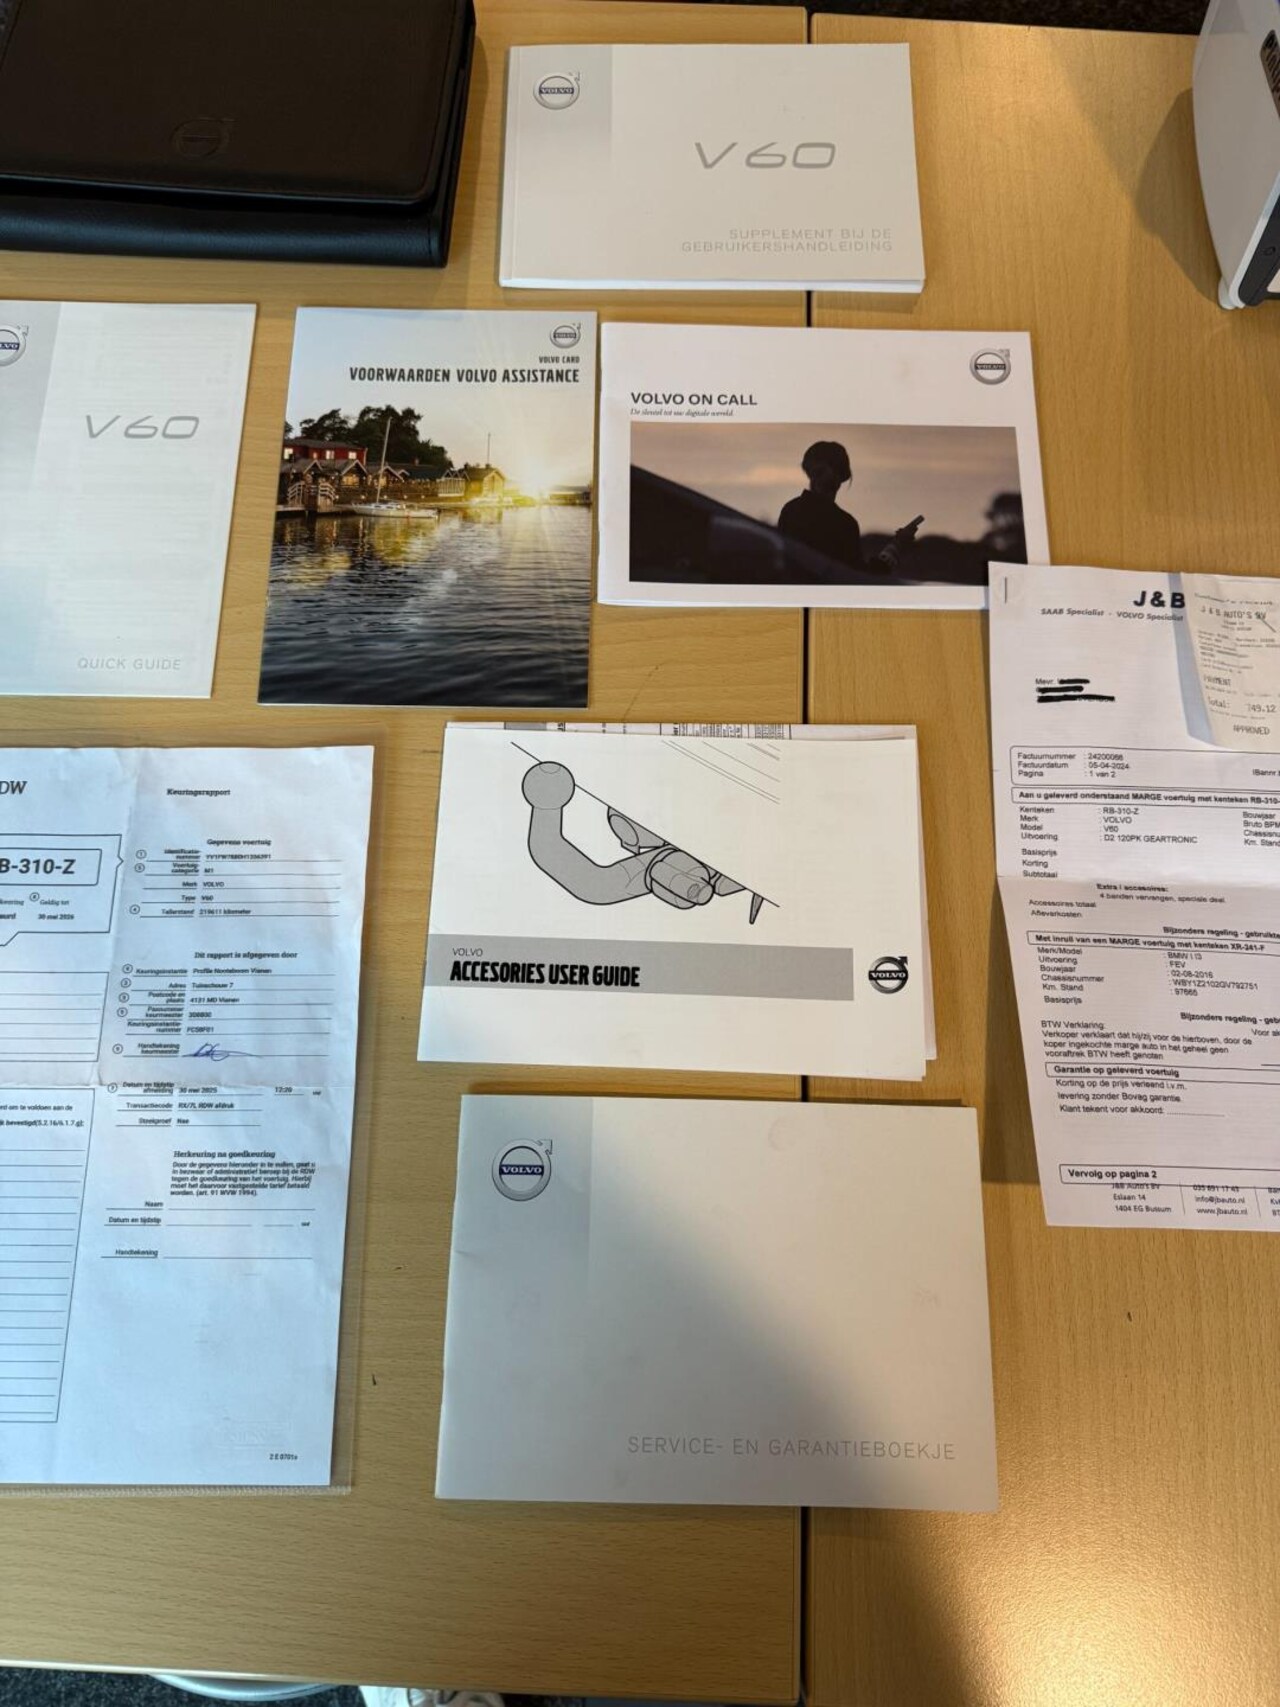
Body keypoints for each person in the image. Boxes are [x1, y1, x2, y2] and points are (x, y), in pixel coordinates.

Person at [776, 441, 922, 580]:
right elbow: (860, 578)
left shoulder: (790, 510)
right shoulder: (844, 524)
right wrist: (897, 545)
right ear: (841, 476)